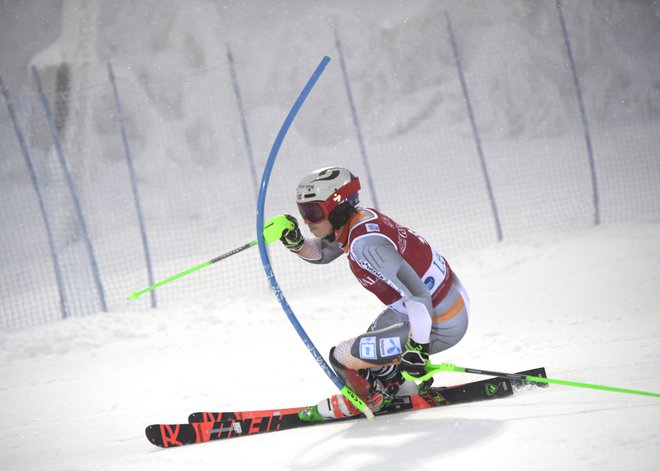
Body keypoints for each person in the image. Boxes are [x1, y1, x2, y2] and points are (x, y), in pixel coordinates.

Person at [279, 166, 470, 420]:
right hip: (434, 305)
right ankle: (402, 389)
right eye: (303, 211)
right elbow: (324, 253)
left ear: (336, 207)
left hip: (441, 318)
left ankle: (369, 401)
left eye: (313, 212)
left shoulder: (366, 245)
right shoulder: (357, 222)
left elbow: (418, 295)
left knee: (343, 357)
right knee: (370, 350)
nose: (306, 220)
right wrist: (297, 243)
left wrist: (419, 347)